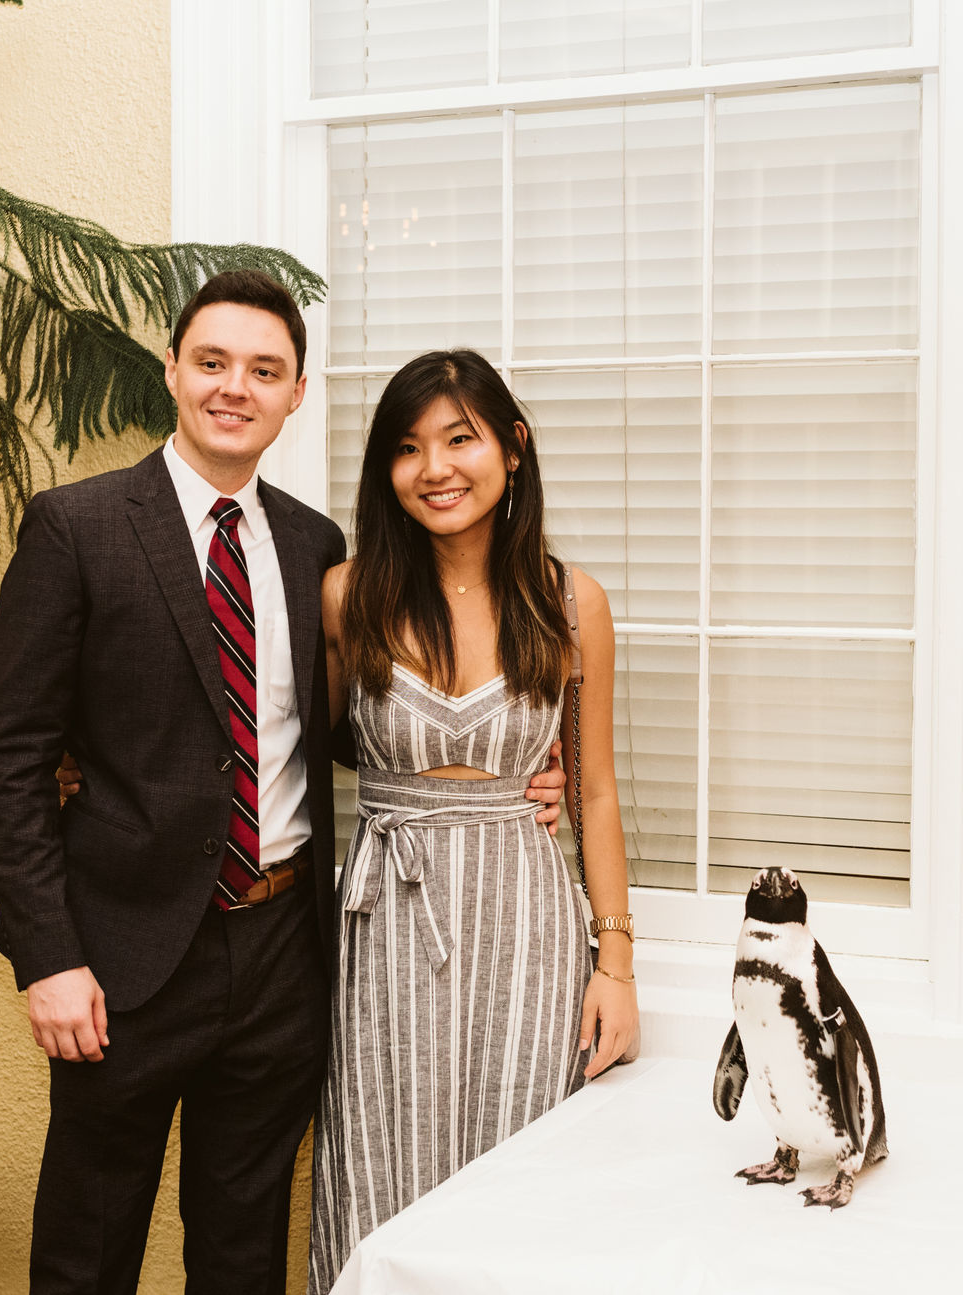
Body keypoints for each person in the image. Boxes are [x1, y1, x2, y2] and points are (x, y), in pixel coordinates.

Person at [0, 272, 565, 1294]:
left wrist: (503, 767)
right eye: (211, 362)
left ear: (296, 393)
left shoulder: (315, 549)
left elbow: (328, 727)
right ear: (172, 370)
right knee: (89, 1239)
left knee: (243, 1245)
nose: (232, 387)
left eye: (263, 369)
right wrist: (49, 954)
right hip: (121, 958)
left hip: (282, 952)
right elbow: (10, 757)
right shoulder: (76, 526)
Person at [308, 350, 640, 1292]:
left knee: (523, 1173)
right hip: (384, 931)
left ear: (514, 448)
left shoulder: (572, 602)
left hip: (528, 927)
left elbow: (595, 791)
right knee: (379, 1165)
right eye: (409, 448)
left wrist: (615, 964)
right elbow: (296, 748)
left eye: (461, 438)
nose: (436, 468)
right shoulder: (348, 594)